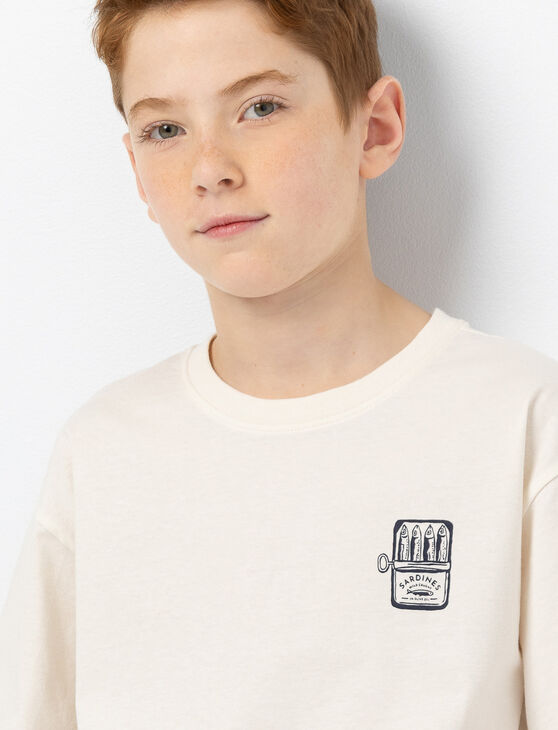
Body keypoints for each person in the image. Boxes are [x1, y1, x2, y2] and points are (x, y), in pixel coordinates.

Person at [0, 0, 556, 728]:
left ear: (376, 128)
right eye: (166, 129)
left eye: (260, 108)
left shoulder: (519, 420)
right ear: (136, 171)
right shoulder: (101, 452)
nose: (210, 170)